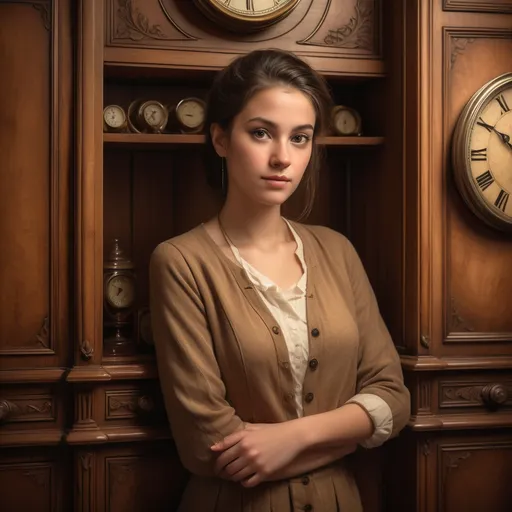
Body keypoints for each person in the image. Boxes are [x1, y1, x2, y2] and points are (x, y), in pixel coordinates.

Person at [149, 48, 410, 512]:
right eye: (261, 133)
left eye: (301, 138)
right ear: (221, 139)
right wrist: (353, 432)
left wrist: (292, 438)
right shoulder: (180, 262)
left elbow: (393, 397)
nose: (281, 158)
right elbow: (207, 444)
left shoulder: (337, 250)